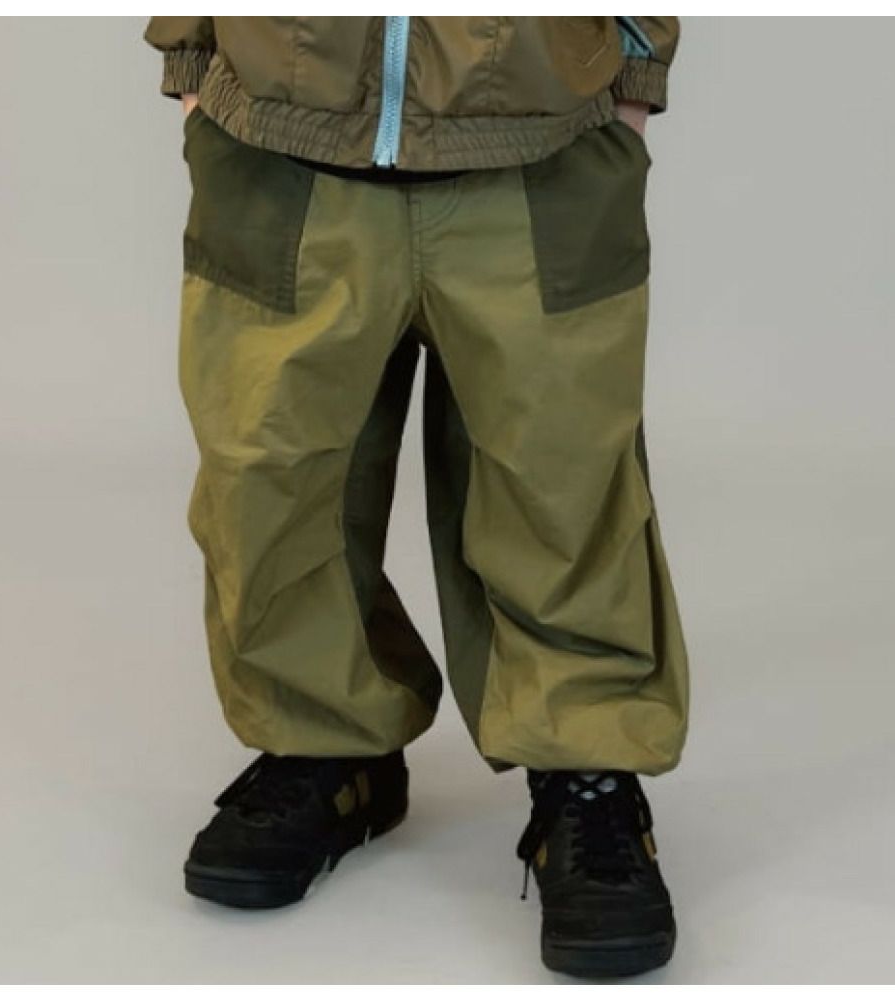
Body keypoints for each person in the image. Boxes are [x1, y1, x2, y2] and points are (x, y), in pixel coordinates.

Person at [143, 16, 690, 979]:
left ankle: (587, 774)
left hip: (542, 144)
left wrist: (637, 66)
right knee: (268, 477)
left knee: (563, 485)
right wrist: (190, 56)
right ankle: (326, 747)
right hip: (277, 140)